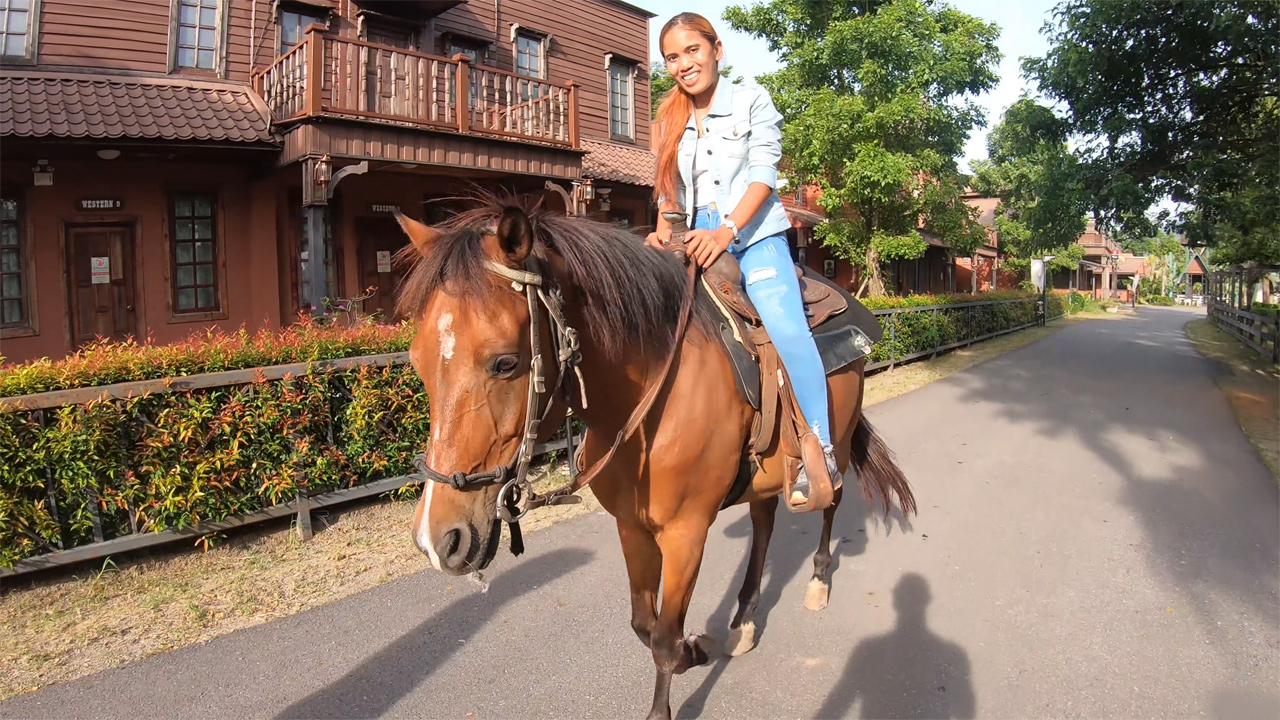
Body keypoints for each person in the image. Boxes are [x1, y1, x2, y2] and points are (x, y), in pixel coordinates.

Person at [645, 12, 839, 506]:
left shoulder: (752, 100)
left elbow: (762, 177)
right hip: (694, 237)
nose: (684, 64)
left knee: (786, 327)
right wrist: (663, 229)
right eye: (672, 57)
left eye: (693, 50)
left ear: (717, 50)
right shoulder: (665, 120)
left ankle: (821, 450)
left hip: (754, 235)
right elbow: (670, 194)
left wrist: (728, 230)